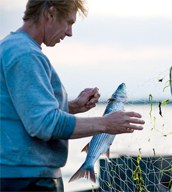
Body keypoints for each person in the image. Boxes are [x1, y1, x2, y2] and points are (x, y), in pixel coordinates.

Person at [0, 0, 145, 191]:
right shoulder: (25, 55)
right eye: (69, 22)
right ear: (50, 13)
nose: (69, 32)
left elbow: (25, 111)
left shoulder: (11, 47)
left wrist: (74, 106)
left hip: (19, 176)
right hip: (27, 180)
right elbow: (43, 124)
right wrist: (106, 124)